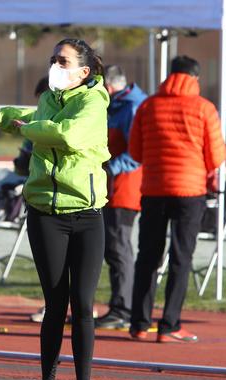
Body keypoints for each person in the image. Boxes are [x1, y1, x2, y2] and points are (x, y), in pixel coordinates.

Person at [0, 38, 109, 380]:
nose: (55, 66)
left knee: (82, 305)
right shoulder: (51, 98)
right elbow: (34, 114)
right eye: (53, 60)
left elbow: (67, 136)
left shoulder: (94, 103)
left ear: (84, 71)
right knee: (55, 303)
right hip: (46, 215)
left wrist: (25, 127)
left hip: (88, 215)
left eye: (63, 61)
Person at [128, 55, 226, 343]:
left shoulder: (148, 106)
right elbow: (216, 156)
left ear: (169, 75)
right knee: (181, 258)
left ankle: (139, 323)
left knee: (147, 257)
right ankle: (169, 325)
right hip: (189, 192)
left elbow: (135, 152)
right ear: (195, 78)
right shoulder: (204, 108)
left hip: (154, 190)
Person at [94, 65, 146, 330]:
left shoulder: (132, 107)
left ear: (110, 86)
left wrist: (109, 168)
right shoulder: (118, 105)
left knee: (118, 247)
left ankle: (123, 308)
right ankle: (120, 305)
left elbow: (137, 152)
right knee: (113, 248)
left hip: (124, 190)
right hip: (112, 189)